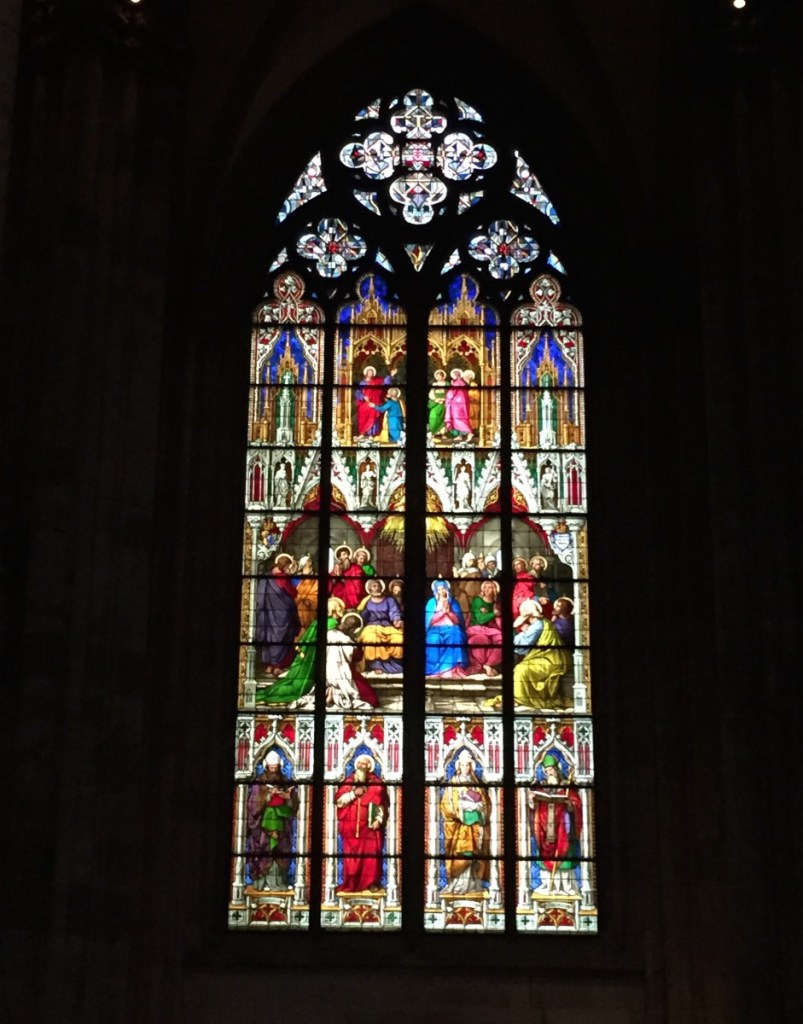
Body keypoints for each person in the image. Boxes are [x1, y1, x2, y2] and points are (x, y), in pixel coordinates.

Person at [258, 596, 345, 706]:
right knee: (299, 687)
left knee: (294, 681)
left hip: (309, 659)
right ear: (336, 610)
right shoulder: (331, 623)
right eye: (340, 609)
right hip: (314, 662)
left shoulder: (317, 623)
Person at [528, 754, 583, 895]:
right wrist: (532, 801)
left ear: (557, 770)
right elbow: (533, 809)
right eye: (546, 771)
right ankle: (547, 885)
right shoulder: (541, 788)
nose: (549, 773)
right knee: (545, 853)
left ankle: (567, 886)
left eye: (551, 769)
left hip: (564, 826)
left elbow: (576, 804)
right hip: (545, 828)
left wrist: (570, 805)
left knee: (565, 853)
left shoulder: (566, 787)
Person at [245, 751, 299, 890]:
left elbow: (294, 806)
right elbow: (252, 805)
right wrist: (268, 796)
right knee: (264, 851)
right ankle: (262, 883)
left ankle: (279, 883)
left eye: (276, 768)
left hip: (282, 826)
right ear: (266, 767)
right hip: (262, 828)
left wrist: (287, 798)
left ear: (280, 767)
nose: (273, 771)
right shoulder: (259, 782)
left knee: (281, 851)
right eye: (271, 768)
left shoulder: (286, 782)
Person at [335, 754, 389, 892]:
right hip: (350, 827)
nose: (361, 766)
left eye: (364, 764)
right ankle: (351, 883)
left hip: (369, 828)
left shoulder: (377, 783)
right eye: (359, 764)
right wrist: (354, 793)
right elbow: (340, 801)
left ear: (369, 767)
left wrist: (378, 819)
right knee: (350, 858)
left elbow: (382, 804)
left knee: (371, 857)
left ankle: (371, 883)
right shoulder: (348, 781)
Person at [439, 749, 490, 894]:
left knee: (474, 855)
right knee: (461, 853)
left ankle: (474, 884)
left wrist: (479, 807)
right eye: (462, 765)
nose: (465, 768)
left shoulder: (477, 785)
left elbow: (486, 805)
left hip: (475, 827)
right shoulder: (453, 784)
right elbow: (445, 807)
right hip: (459, 828)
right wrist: (460, 809)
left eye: (468, 765)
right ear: (458, 767)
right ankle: (457, 884)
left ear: (471, 767)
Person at [507, 599, 570, 709]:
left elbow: (522, 645)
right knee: (522, 668)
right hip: (549, 657)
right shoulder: (540, 623)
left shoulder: (537, 625)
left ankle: (522, 699)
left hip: (550, 659)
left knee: (521, 670)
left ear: (528, 615)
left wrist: (517, 629)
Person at [254, 553, 300, 676]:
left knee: (270, 637)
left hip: (267, 613)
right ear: (285, 565)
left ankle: (269, 665)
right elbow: (291, 592)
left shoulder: (267, 577)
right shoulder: (282, 578)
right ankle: (277, 666)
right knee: (282, 637)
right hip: (282, 614)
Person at [325, 612, 378, 709]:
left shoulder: (327, 634)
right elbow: (357, 657)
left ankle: (332, 692)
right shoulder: (346, 640)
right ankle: (335, 693)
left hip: (325, 674)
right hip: (344, 674)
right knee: (371, 699)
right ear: (352, 629)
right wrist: (357, 643)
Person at [358, 579, 404, 673]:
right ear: (370, 589)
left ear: (381, 587)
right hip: (372, 627)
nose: (376, 588)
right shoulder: (366, 602)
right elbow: (362, 616)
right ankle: (376, 665)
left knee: (399, 638)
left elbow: (394, 612)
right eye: (374, 586)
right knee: (371, 638)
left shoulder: (389, 600)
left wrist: (396, 620)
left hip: (388, 626)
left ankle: (396, 664)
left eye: (378, 586)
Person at [425, 579, 468, 678]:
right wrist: (442, 612)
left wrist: (449, 612)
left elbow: (459, 621)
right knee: (432, 640)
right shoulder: (431, 603)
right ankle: (434, 671)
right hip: (434, 630)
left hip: (451, 628)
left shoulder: (453, 602)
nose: (442, 591)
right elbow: (429, 622)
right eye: (439, 589)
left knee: (456, 635)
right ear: (436, 591)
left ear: (447, 589)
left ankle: (454, 669)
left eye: (443, 588)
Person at [466, 579, 503, 677]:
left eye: (490, 587)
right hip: (476, 629)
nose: (487, 589)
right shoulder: (477, 601)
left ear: (495, 590)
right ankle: (481, 666)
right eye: (485, 587)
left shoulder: (496, 604)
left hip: (491, 630)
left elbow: (499, 621)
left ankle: (489, 664)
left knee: (501, 640)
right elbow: (480, 619)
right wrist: (493, 614)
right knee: (480, 639)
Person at [444, 368, 474, 442]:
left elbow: (451, 393)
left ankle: (469, 433)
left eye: (456, 374)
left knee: (459, 419)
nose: (455, 376)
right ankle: (459, 435)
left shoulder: (457, 383)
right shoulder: (461, 382)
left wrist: (447, 400)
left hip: (457, 404)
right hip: (461, 403)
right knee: (460, 419)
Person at [294, 554, 318, 634]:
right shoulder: (298, 579)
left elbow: (316, 592)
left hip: (312, 608)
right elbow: (295, 593)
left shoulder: (316, 578)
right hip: (300, 607)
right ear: (303, 565)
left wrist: (310, 600)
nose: (310, 565)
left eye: (310, 563)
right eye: (308, 562)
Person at [427, 368, 448, 436]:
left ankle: (443, 434)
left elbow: (449, 393)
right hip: (435, 403)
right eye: (437, 376)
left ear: (443, 376)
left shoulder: (447, 384)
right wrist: (436, 399)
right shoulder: (435, 384)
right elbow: (431, 393)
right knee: (433, 416)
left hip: (444, 403)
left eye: (440, 376)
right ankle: (433, 432)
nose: (438, 377)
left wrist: (444, 400)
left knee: (442, 418)